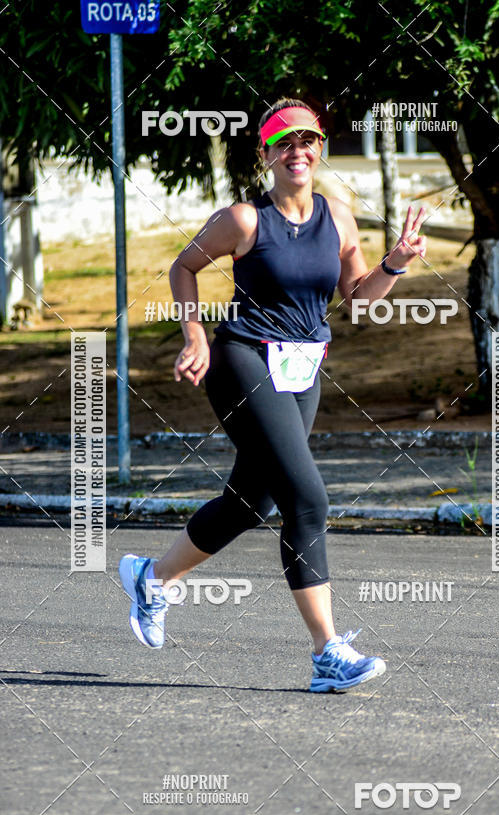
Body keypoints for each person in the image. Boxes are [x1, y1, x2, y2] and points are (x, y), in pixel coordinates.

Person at [119, 98, 426, 692]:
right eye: (284, 143)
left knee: (250, 502)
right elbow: (184, 267)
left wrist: (395, 263)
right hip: (242, 359)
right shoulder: (244, 219)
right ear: (267, 155)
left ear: (320, 149)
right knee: (307, 498)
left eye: (307, 141)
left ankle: (152, 579)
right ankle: (327, 653)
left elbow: (359, 299)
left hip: (303, 368)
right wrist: (194, 336)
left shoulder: (339, 217)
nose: (297, 151)